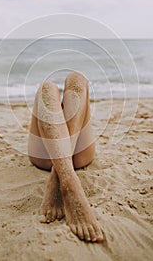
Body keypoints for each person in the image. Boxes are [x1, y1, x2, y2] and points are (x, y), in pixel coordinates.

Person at [28, 71, 104, 243]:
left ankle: (61, 175)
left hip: (55, 155)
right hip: (72, 155)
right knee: (47, 88)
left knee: (76, 79)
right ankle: (70, 180)